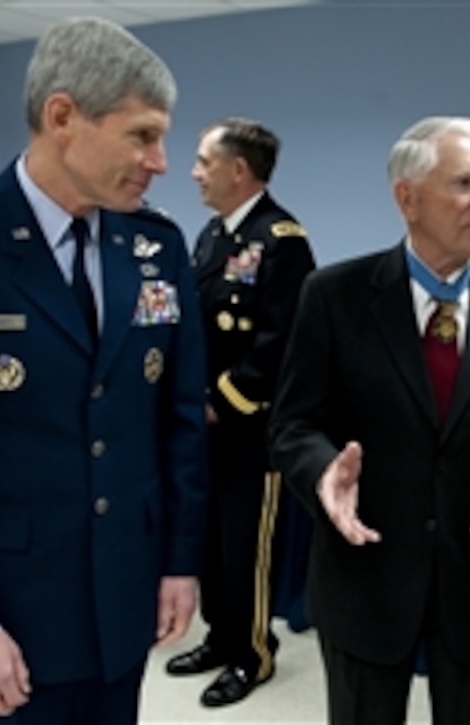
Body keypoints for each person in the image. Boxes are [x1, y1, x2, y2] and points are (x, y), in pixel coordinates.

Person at [0, 17, 208, 724]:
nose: (161, 161)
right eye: (142, 135)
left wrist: (179, 561)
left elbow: (178, 422)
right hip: (7, 611)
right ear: (62, 116)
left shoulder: (155, 245)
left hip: (125, 594)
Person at [269, 116, 470, 725]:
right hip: (366, 576)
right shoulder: (334, 297)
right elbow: (293, 426)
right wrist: (325, 473)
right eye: (465, 183)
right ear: (407, 198)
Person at [164, 118, 315, 707]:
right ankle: (220, 636)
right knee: (210, 543)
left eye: (204, 161)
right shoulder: (212, 235)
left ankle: (253, 653)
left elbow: (282, 343)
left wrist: (222, 402)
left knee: (247, 547)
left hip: (251, 427)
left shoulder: (282, 239)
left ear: (238, 169)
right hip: (205, 423)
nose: (195, 172)